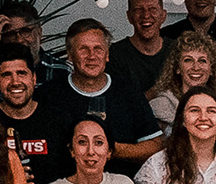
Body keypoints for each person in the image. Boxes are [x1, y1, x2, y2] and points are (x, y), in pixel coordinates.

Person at [44, 19, 166, 165]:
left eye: (98, 49)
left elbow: (154, 145)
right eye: (83, 49)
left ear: (107, 54)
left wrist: (113, 149)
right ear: (70, 55)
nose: (92, 56)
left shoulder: (128, 91)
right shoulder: (50, 94)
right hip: (66, 183)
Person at [0, 46, 77, 184]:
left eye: (22, 73)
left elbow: (73, 175)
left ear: (34, 78)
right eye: (6, 75)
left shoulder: (60, 121)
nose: (15, 81)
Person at [145, 29, 216, 126]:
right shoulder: (161, 106)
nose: (196, 67)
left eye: (202, 61)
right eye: (188, 60)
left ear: (212, 69)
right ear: (177, 68)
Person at [110, 0, 172, 106]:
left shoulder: (178, 51)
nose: (146, 15)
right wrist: (156, 91)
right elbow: (119, 105)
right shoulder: (114, 55)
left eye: (152, 9)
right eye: (138, 9)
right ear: (129, 16)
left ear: (163, 15)